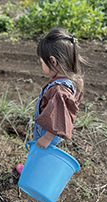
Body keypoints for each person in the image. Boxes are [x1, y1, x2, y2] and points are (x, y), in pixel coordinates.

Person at [16, 28, 84, 174]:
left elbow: (59, 116)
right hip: (49, 130)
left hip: (48, 131)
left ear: (53, 61)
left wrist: (47, 137)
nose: (41, 65)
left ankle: (34, 172)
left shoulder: (59, 90)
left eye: (42, 62)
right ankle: (34, 167)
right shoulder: (71, 79)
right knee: (41, 150)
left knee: (40, 149)